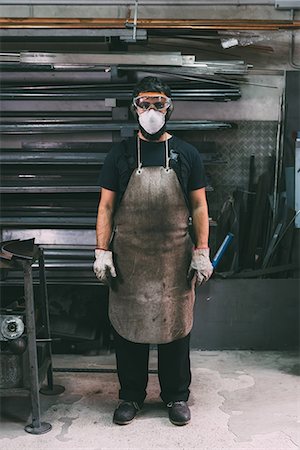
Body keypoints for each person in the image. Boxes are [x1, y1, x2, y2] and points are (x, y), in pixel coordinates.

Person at [93, 76, 213, 426]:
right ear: (134, 108)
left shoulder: (186, 154)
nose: (151, 111)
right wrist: (103, 250)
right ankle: (131, 395)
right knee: (129, 330)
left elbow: (199, 206)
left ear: (169, 108)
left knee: (175, 329)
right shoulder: (120, 154)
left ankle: (176, 396)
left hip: (174, 259)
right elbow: (106, 207)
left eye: (158, 103)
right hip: (131, 259)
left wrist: (201, 250)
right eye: (144, 104)